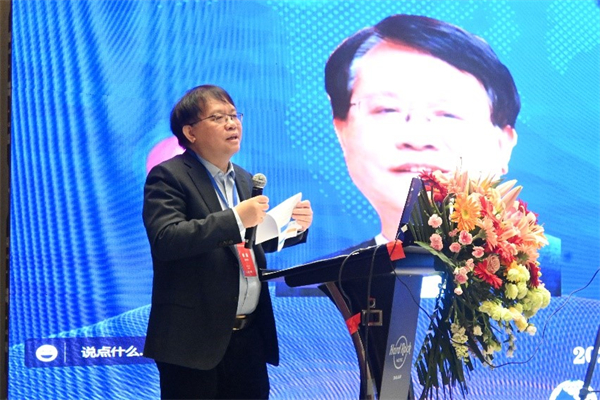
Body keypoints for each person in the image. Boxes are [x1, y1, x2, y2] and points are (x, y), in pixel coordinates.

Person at [323, 14, 560, 294]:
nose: (417, 139)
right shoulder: (315, 283)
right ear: (341, 131)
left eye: (448, 113)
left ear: (503, 144)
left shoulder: (552, 274)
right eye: (386, 109)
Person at [142, 84, 313, 399]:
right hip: (193, 341)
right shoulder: (169, 176)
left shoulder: (245, 179)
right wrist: (236, 218)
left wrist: (293, 229)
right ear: (190, 132)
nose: (232, 124)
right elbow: (167, 239)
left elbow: (247, 244)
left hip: (248, 338)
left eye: (234, 116)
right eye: (218, 117)